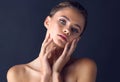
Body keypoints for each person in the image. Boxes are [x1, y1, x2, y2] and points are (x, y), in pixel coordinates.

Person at [7, 0, 97, 82]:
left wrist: (56, 74)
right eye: (62, 21)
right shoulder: (17, 74)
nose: (67, 30)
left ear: (77, 39)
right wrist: (46, 76)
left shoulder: (85, 67)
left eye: (74, 30)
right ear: (47, 22)